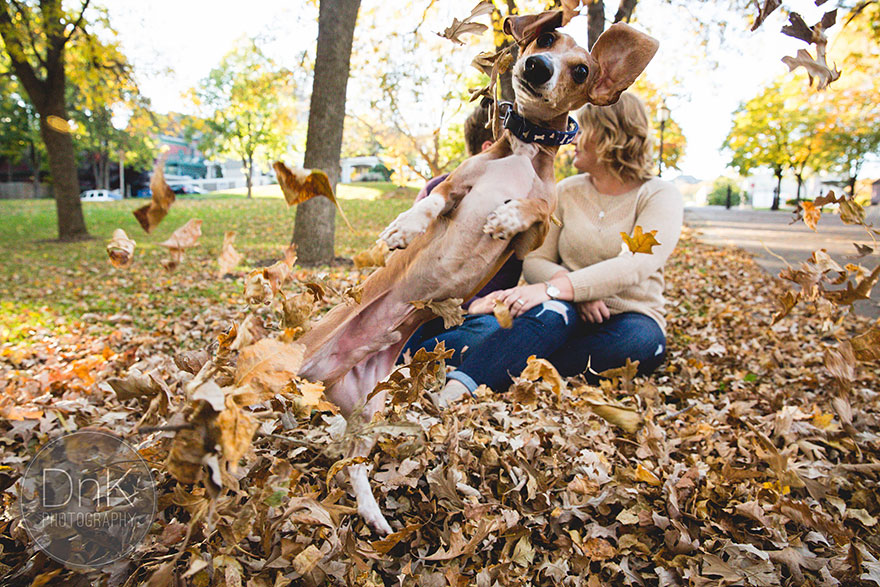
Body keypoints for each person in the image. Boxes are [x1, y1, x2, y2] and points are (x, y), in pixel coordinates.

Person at [412, 92, 684, 407]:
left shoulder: (658, 195)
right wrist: (568, 292)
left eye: (582, 128)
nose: (572, 138)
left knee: (643, 343)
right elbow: (537, 259)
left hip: (628, 315)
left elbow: (634, 264)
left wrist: (564, 288)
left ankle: (503, 363)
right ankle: (458, 390)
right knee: (550, 314)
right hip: (563, 312)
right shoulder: (567, 191)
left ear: (611, 135)